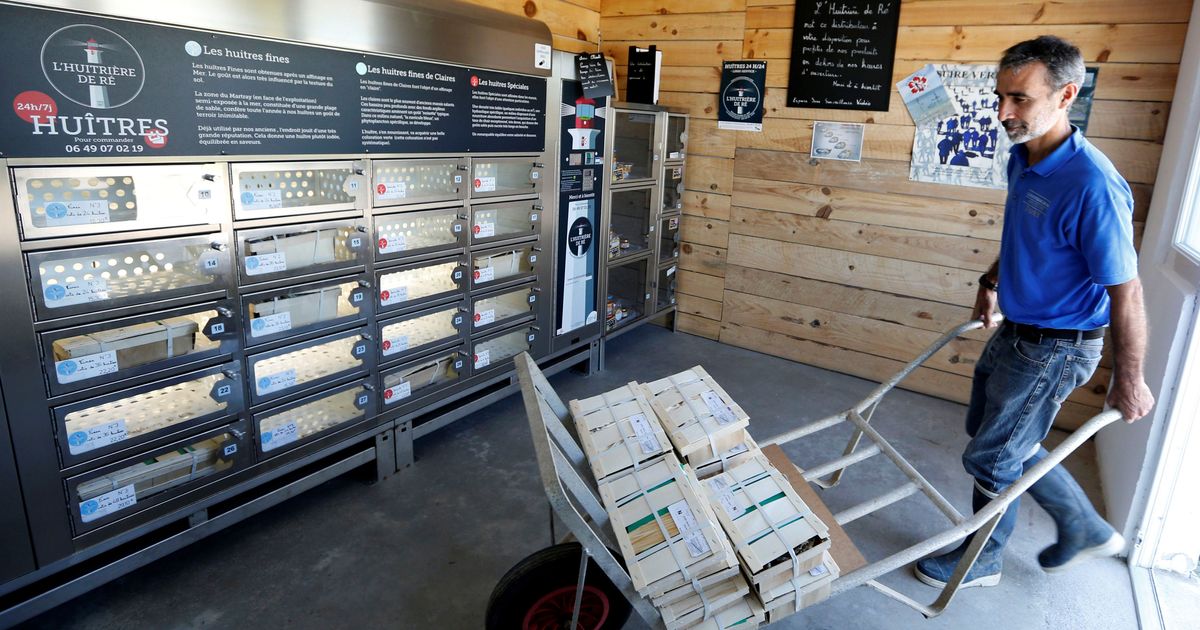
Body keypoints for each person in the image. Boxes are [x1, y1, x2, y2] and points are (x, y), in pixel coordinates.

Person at [913, 35, 1156, 590]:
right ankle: (1082, 524)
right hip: (1020, 331)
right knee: (990, 432)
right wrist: (991, 282)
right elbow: (1029, 237)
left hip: (1057, 345)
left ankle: (984, 559)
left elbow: (1128, 291)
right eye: (1000, 97)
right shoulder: (1023, 156)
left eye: (1019, 98)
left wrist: (1130, 379)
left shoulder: (1092, 185)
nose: (1003, 112)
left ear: (1066, 95)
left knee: (994, 456)